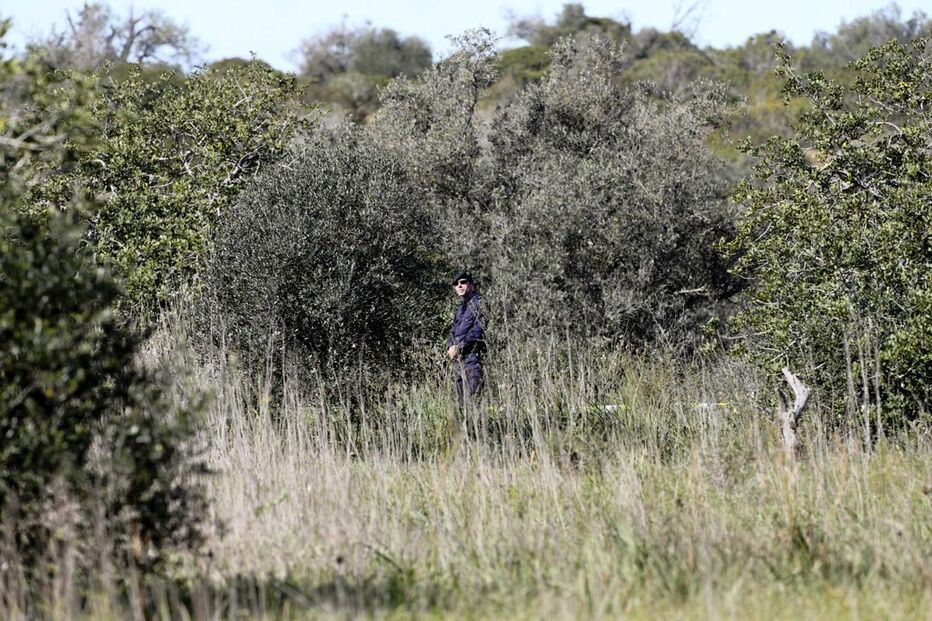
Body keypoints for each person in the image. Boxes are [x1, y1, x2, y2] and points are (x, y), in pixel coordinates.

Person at [446, 270, 485, 403]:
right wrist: (450, 347)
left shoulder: (480, 303)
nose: (459, 286)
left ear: (471, 284)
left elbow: (479, 330)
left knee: (472, 402)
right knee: (460, 405)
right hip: (458, 362)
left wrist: (459, 347)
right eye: (456, 284)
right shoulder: (460, 309)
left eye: (463, 282)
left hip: (473, 360)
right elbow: (452, 331)